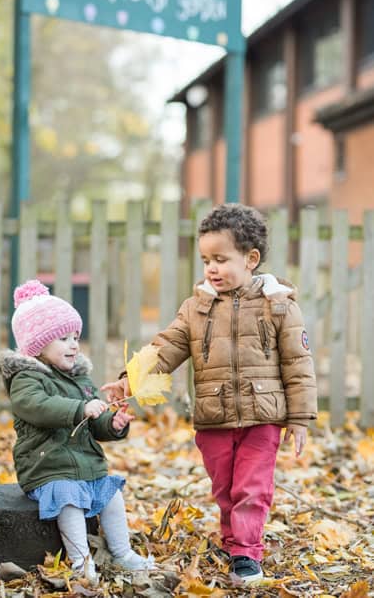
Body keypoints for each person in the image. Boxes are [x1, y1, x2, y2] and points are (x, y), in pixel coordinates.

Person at [104, 204, 317, 585]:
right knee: (225, 488)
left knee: (251, 487)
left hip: (262, 416)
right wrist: (130, 379)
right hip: (212, 416)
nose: (212, 268)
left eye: (221, 259)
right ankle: (233, 539)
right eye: (206, 260)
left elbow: (298, 364)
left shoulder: (279, 305)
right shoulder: (195, 308)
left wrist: (299, 418)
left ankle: (246, 553)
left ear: (251, 259)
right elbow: (166, 348)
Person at [0, 279, 153, 585]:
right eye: (63, 338)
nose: (73, 345)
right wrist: (79, 409)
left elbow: (93, 424)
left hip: (85, 465)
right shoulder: (26, 378)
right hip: (47, 468)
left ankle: (122, 552)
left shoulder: (80, 379)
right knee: (69, 498)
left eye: (75, 337)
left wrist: (111, 423)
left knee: (111, 495)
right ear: (38, 345)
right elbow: (36, 406)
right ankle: (80, 563)